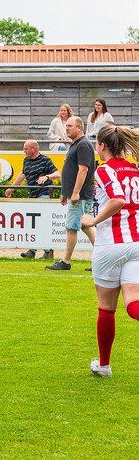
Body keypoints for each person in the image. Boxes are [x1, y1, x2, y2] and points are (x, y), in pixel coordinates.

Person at [79, 125, 139, 377]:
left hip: (110, 245)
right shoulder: (135, 170)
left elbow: (117, 200)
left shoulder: (104, 170)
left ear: (102, 145)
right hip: (136, 243)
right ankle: (103, 365)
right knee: (133, 302)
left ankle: (104, 365)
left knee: (106, 308)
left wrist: (92, 221)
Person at [46, 116, 96, 271]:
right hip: (77, 194)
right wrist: (66, 192)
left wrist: (75, 193)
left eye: (69, 126)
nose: (66, 128)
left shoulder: (83, 145)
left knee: (73, 227)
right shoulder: (77, 144)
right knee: (85, 226)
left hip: (80, 195)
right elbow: (72, 171)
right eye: (66, 125)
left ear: (79, 128)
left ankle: (65, 262)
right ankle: (101, 260)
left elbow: (83, 170)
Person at [5, 140, 61, 259]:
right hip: (32, 196)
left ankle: (46, 250)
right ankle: (34, 250)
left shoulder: (45, 160)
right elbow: (22, 174)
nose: (23, 151)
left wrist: (46, 177)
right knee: (34, 224)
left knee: (42, 223)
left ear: (34, 149)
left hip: (44, 194)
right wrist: (11, 188)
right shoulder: (26, 160)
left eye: (26, 148)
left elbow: (58, 173)